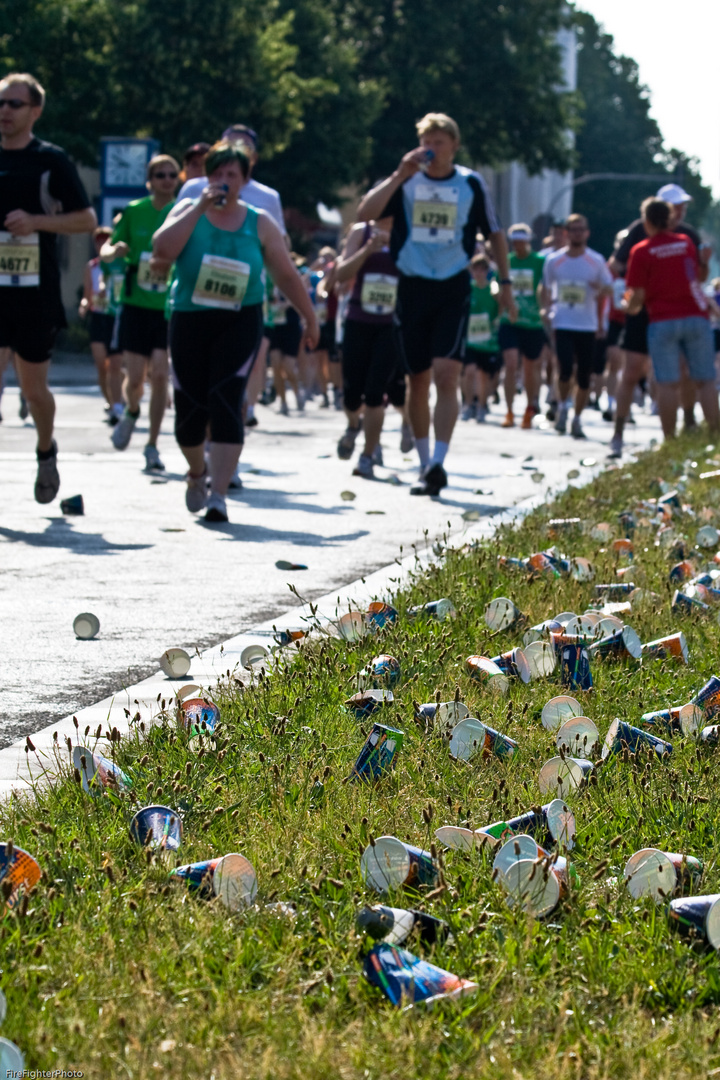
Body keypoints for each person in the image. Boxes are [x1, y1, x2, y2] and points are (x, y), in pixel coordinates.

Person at [153, 140, 319, 522]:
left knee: (227, 398)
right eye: (217, 173)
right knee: (190, 411)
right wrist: (198, 208)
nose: (223, 181)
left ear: (245, 180)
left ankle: (220, 496)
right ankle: (197, 473)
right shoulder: (188, 209)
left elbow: (285, 273)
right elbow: (162, 250)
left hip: (239, 318)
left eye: (232, 174)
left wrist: (309, 317)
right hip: (191, 317)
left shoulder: (259, 221)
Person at [356, 112, 515, 496]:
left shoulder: (470, 183)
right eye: (426, 140)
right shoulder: (407, 181)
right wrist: (398, 175)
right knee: (418, 378)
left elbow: (495, 233)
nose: (431, 148)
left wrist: (505, 283)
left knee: (447, 374)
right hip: (411, 285)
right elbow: (364, 215)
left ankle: (439, 463)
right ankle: (424, 461)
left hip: (452, 285)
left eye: (439, 141)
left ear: (454, 145)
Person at [0, 72, 96, 502]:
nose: (4, 111)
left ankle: (45, 450)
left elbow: (86, 221)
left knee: (34, 391)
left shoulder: (50, 160)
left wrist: (36, 222)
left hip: (34, 295)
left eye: (14, 104)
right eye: (0, 103)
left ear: (35, 111)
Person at [608, 183, 710, 457]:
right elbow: (615, 266)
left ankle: (687, 426)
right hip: (642, 314)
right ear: (661, 209)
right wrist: (625, 293)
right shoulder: (639, 232)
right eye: (676, 206)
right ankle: (618, 433)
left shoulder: (688, 235)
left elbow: (698, 277)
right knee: (631, 372)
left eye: (683, 206)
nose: (680, 211)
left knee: (684, 373)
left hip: (668, 315)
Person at [100, 154, 179, 469]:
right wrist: (113, 251)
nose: (166, 180)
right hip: (135, 304)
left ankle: (152, 444)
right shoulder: (134, 211)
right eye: (160, 175)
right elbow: (107, 248)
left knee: (160, 375)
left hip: (167, 307)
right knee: (135, 380)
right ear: (149, 180)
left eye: (172, 175)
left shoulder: (184, 212)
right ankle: (131, 412)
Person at [624, 197, 718, 440]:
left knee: (667, 383)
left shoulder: (641, 251)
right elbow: (697, 278)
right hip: (696, 318)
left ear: (646, 221)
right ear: (669, 219)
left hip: (662, 320)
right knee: (706, 380)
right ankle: (716, 439)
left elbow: (638, 295)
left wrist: (629, 307)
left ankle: (670, 441)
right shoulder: (685, 242)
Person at [334, 217, 400, 477]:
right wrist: (368, 249)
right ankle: (353, 426)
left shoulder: (406, 234)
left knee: (375, 394)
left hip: (390, 325)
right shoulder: (360, 233)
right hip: (358, 319)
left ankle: (368, 455)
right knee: (351, 395)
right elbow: (342, 273)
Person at [541, 213, 612, 439]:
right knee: (564, 370)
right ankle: (562, 407)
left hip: (587, 326)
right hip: (562, 322)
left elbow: (610, 289)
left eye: (581, 229)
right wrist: (545, 309)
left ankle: (577, 418)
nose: (577, 233)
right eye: (573, 229)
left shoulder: (596, 260)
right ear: (566, 233)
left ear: (587, 233)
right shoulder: (554, 261)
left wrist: (599, 288)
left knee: (584, 376)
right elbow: (544, 287)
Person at [498, 223, 547, 428]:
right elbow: (496, 282)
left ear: (528, 241)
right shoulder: (506, 262)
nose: (518, 246)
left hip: (533, 323)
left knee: (530, 368)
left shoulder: (540, 262)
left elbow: (547, 286)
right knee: (510, 364)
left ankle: (529, 408)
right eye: (515, 242)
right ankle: (509, 411)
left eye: (522, 242)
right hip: (510, 321)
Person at [78, 225, 124, 423]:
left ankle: (117, 404)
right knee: (101, 364)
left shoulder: (120, 264)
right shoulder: (93, 266)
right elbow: (87, 293)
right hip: (98, 317)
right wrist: (84, 305)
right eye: (98, 240)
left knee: (115, 364)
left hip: (114, 317)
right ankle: (110, 400)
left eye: (106, 239)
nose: (102, 243)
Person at [462, 254, 500, 422]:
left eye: (482, 269)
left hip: (487, 340)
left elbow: (501, 308)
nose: (478, 273)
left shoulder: (494, 290)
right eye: (475, 269)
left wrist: (497, 319)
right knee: (469, 371)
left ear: (487, 271)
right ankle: (468, 404)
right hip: (469, 338)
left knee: (483, 376)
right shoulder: (467, 288)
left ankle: (481, 406)